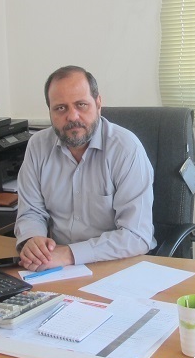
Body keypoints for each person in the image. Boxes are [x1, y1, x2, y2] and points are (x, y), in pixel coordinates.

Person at [15, 65, 156, 272]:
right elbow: (31, 212)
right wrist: (33, 240)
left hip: (116, 266)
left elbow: (136, 236)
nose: (73, 116)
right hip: (56, 266)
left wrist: (69, 254)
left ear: (98, 104)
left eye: (81, 105)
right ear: (50, 111)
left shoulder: (126, 149)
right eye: (60, 108)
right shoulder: (38, 146)